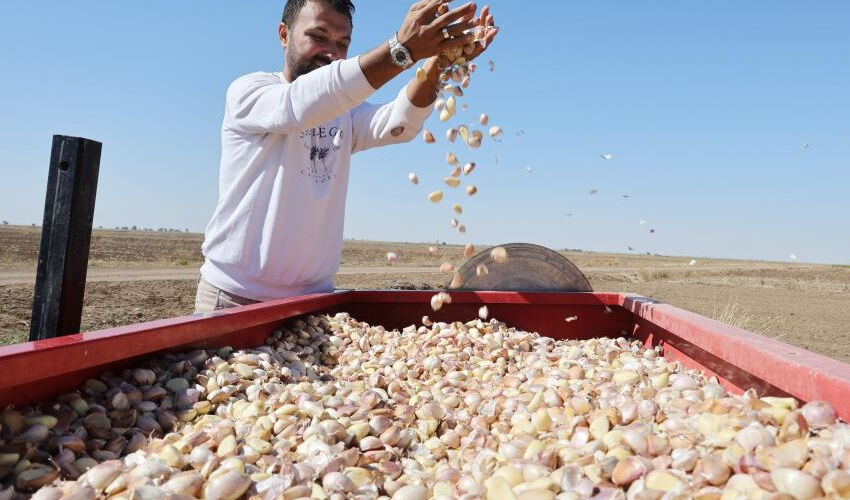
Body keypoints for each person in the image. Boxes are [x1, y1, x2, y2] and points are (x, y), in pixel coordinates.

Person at [195, 0, 498, 313]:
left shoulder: (343, 114)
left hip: (312, 301)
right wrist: (402, 50)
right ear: (284, 35)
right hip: (233, 297)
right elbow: (299, 106)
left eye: (343, 44)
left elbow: (398, 123)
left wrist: (440, 63)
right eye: (318, 36)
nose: (331, 52)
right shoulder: (251, 92)